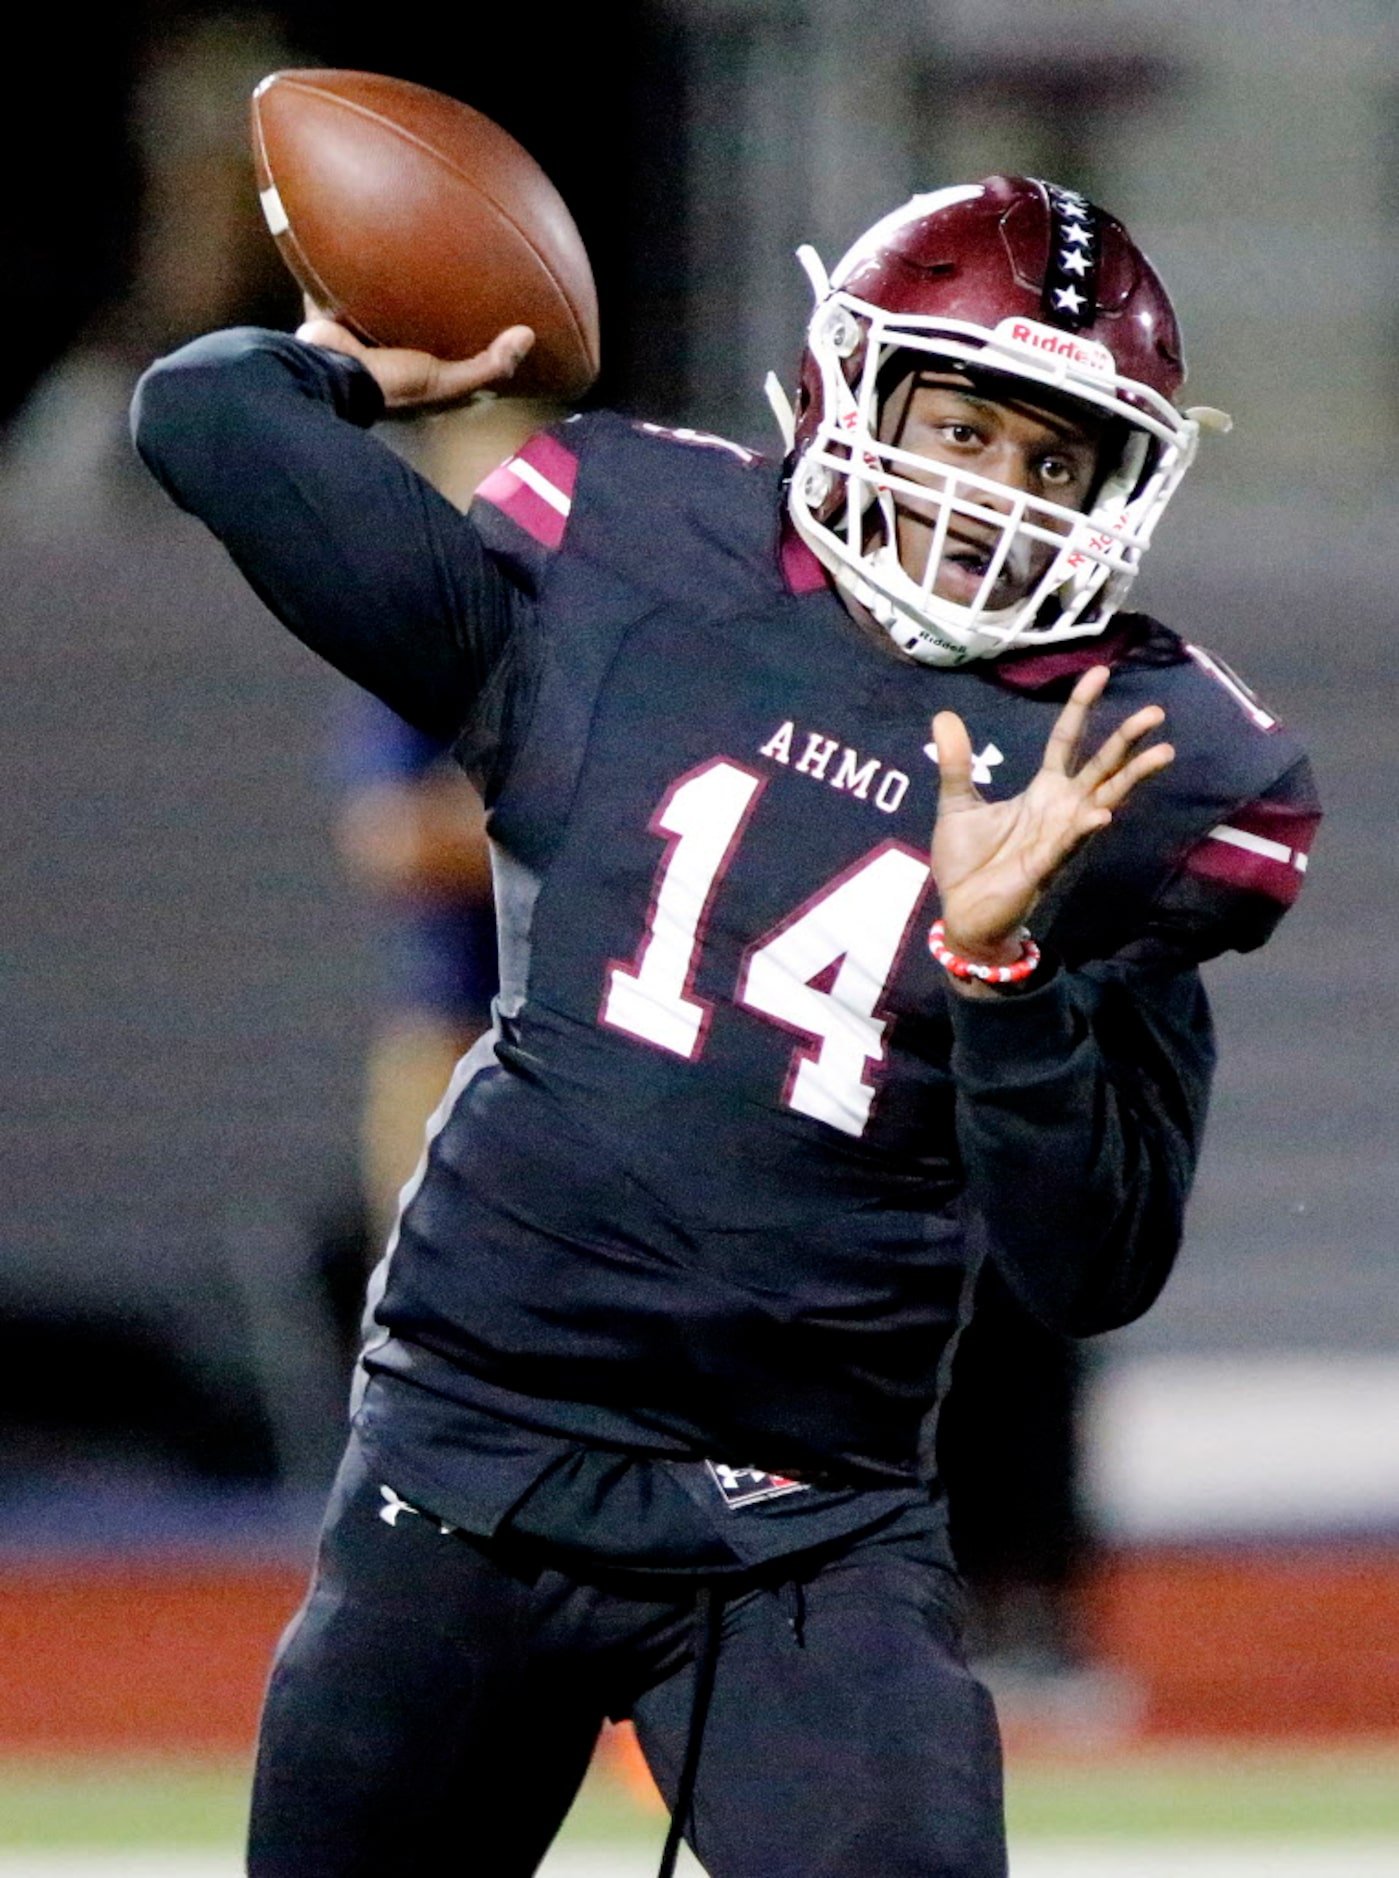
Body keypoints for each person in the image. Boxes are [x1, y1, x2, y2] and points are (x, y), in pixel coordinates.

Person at [132, 175, 1318, 1878]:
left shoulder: (1131, 763)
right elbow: (203, 418)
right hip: (479, 1449)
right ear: (849, 386)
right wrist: (348, 366)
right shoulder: (632, 557)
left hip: (809, 1520)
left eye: (1054, 459)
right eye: (965, 424)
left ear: (1126, 485)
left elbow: (1092, 1265)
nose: (995, 494)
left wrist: (1008, 975)